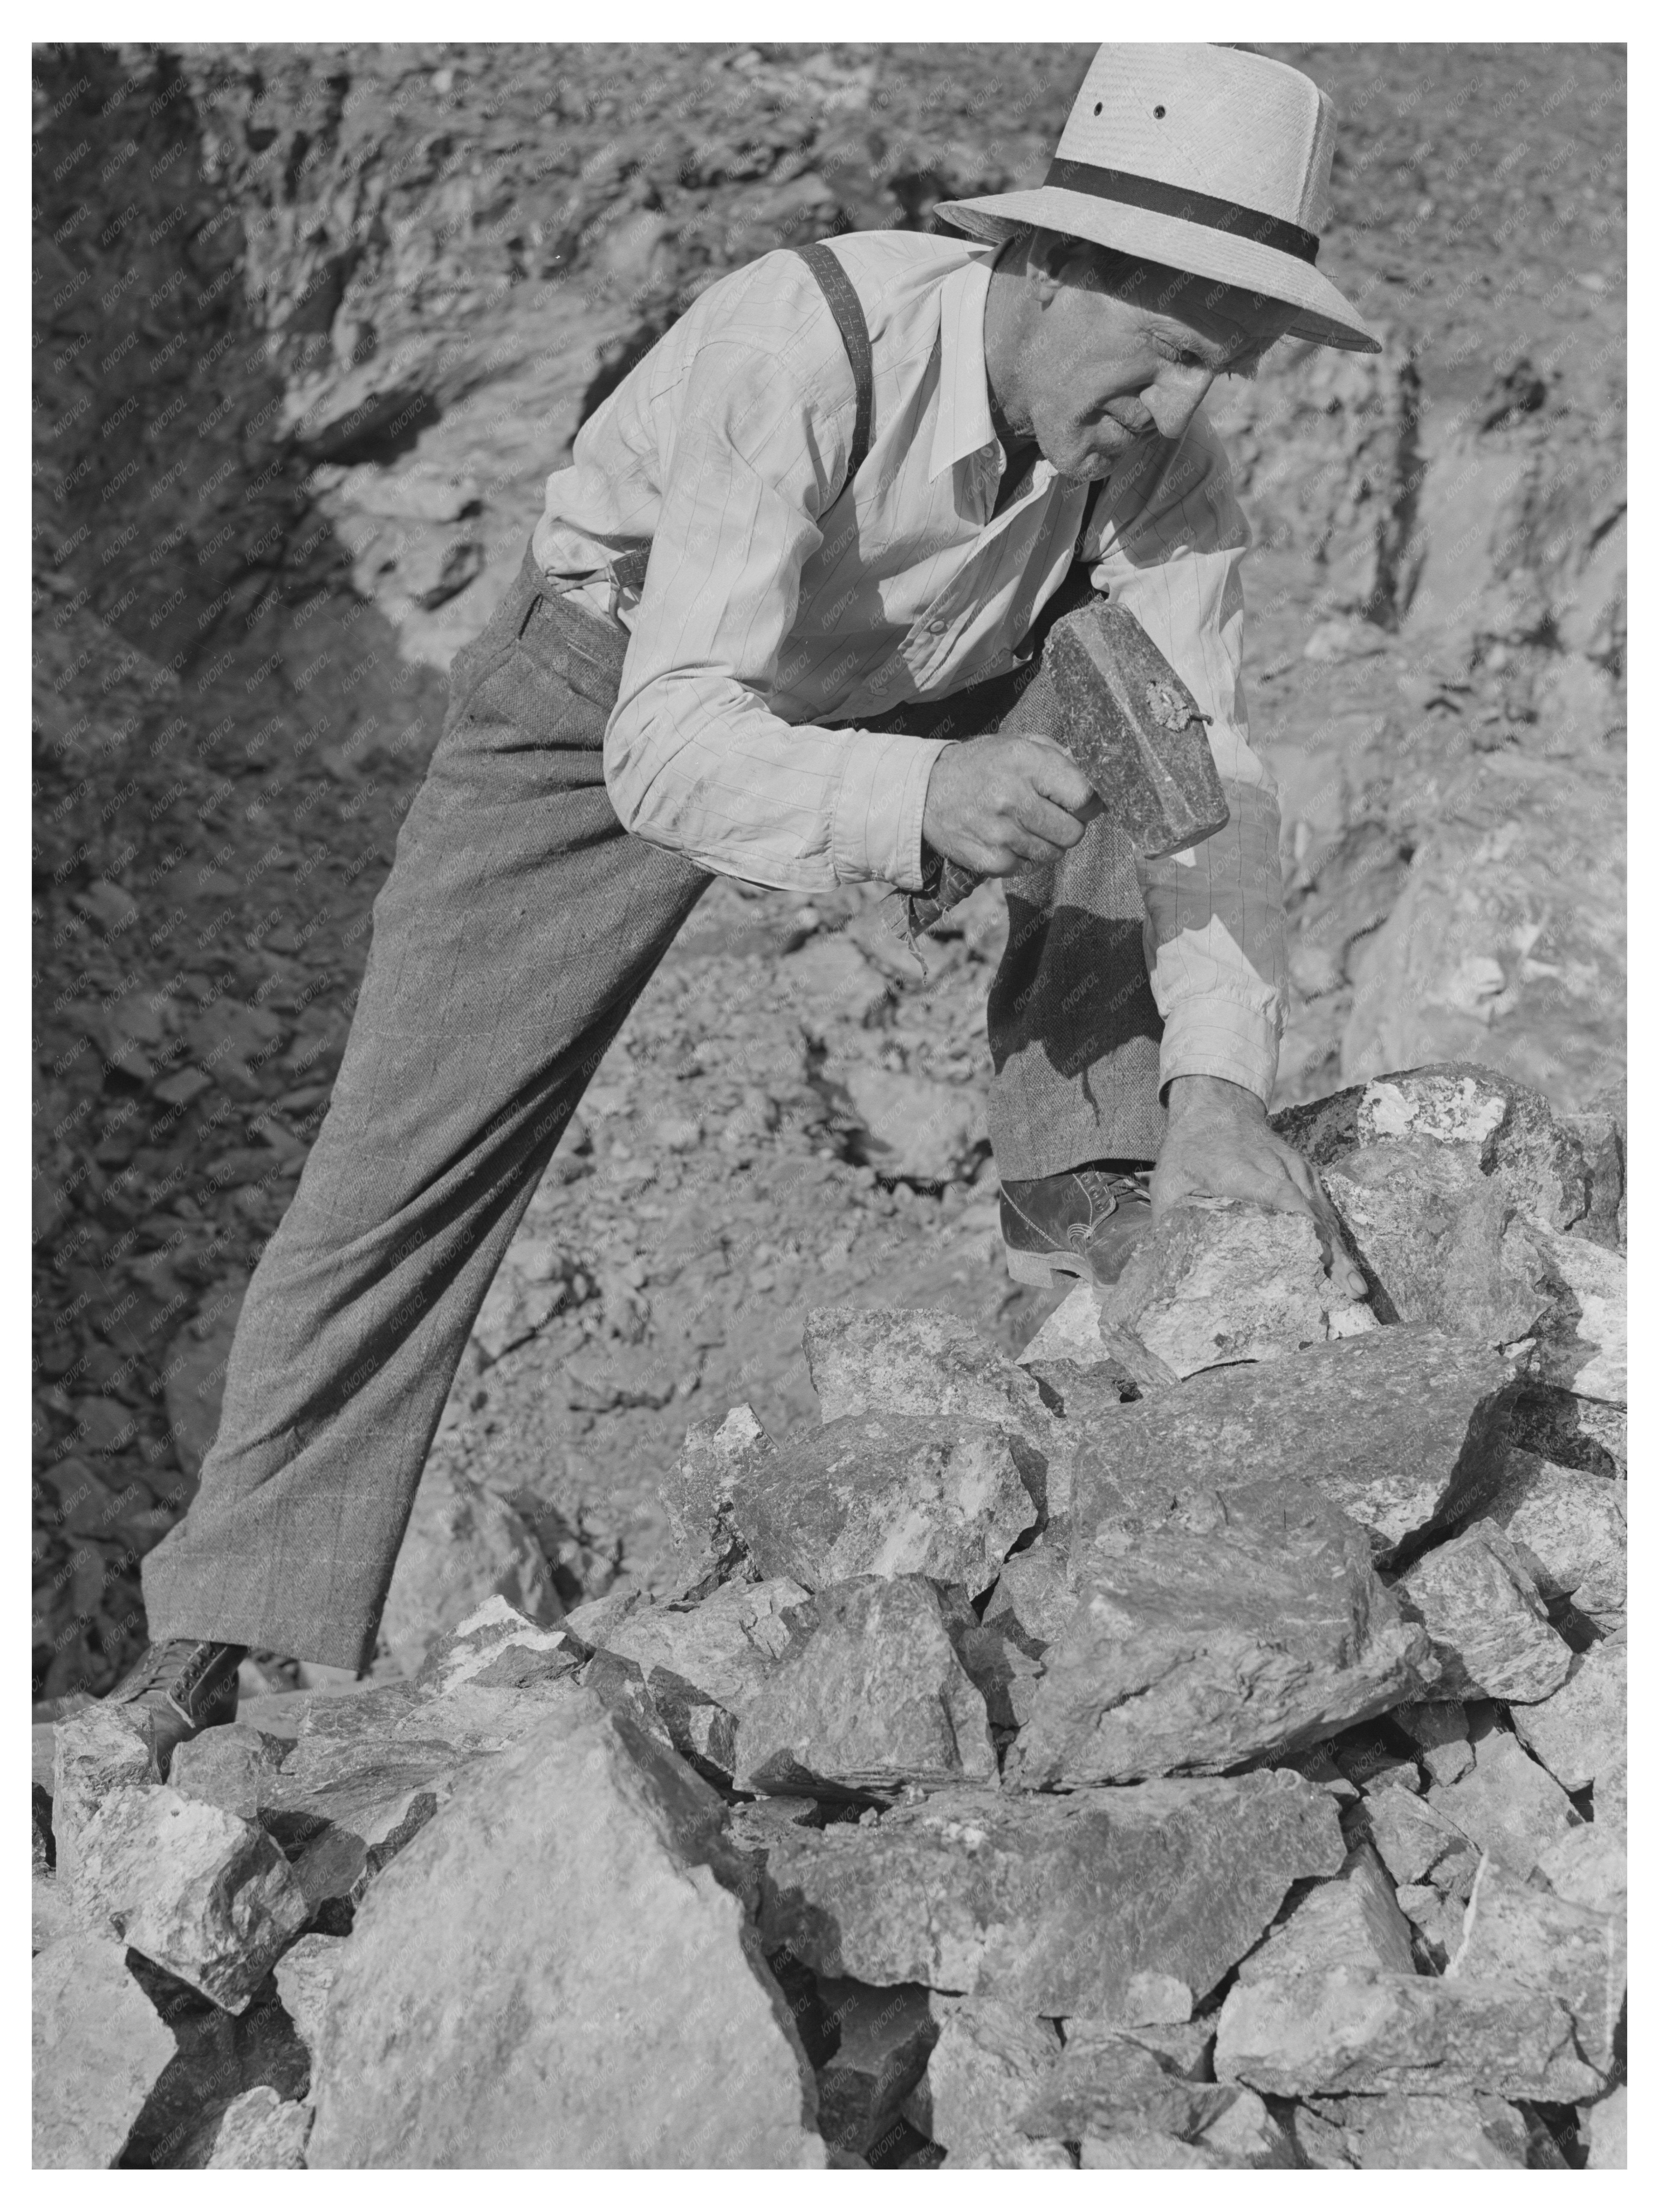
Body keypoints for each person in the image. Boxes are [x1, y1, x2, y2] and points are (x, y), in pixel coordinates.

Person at [113, 42, 1375, 1758]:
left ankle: (1109, 1229)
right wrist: (922, 798)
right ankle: (225, 1635)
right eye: (1164, 353)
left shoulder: (1160, 473)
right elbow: (674, 745)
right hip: (623, 688)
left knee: (1130, 730)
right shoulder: (807, 341)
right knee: (411, 1146)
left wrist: (1221, 1090)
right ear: (1053, 262)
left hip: (922, 686)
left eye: (1213, 373)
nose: (1173, 413)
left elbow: (1210, 783)